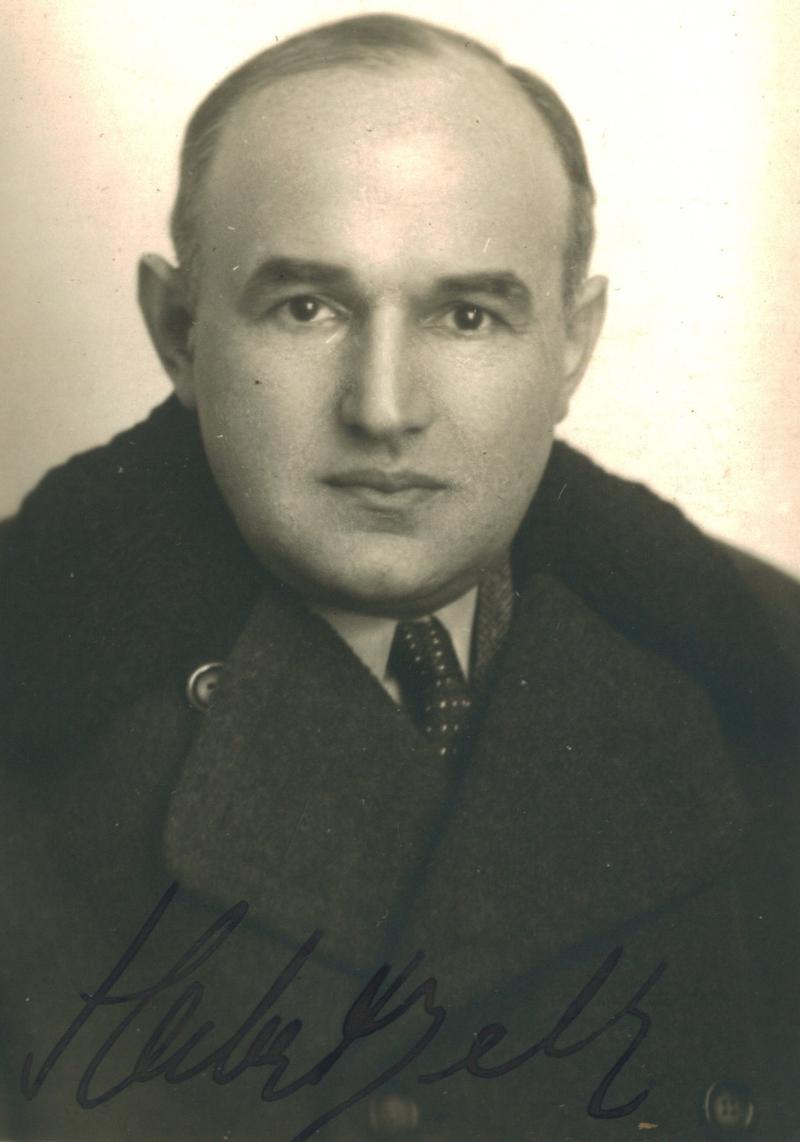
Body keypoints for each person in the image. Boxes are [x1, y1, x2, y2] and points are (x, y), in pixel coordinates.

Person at [1, 13, 797, 1142]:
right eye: (306, 307)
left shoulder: (760, 665)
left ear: (573, 344)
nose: (383, 407)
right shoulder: (32, 709)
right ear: (178, 331)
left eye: (467, 315)